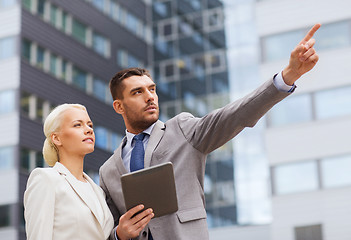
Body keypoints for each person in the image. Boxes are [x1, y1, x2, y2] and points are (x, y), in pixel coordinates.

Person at [99, 23, 321, 240]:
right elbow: (105, 231)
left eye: (152, 89)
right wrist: (119, 235)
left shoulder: (182, 129)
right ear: (119, 106)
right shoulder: (108, 171)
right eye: (138, 92)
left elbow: (235, 115)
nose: (150, 96)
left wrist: (288, 75)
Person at [24, 104, 115, 240]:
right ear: (56, 138)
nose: (89, 130)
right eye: (78, 125)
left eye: (90, 125)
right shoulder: (46, 179)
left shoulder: (98, 191)